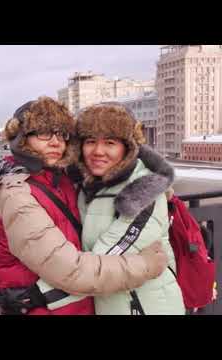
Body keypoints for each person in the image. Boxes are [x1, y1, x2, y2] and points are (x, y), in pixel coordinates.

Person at [0, 97, 168, 315]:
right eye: (44, 133)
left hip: (75, 305)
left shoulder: (62, 180)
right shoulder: (16, 195)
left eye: (61, 134)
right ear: (21, 139)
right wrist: (146, 266)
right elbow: (72, 271)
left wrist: (152, 182)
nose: (56, 142)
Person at [73, 103, 185, 315]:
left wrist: (40, 292)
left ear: (128, 147)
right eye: (90, 141)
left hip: (146, 306)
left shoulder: (144, 189)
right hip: (110, 303)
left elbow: (103, 259)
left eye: (110, 142)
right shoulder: (86, 187)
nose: (98, 151)